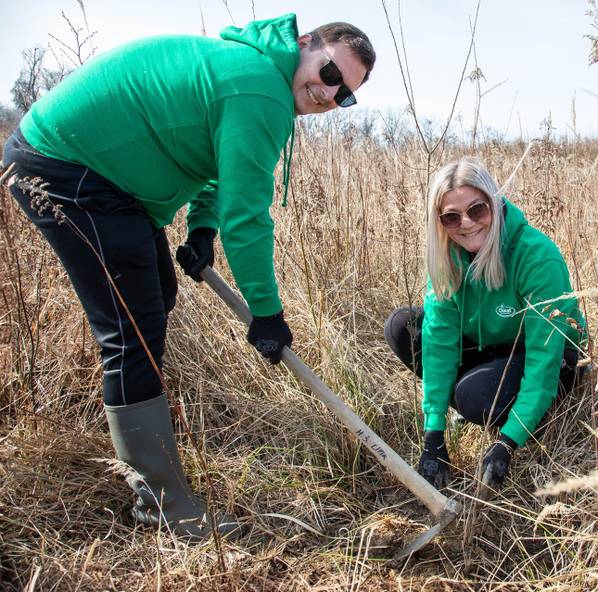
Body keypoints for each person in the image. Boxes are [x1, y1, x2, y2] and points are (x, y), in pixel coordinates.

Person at [2, 13, 375, 540]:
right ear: (307, 43)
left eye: (345, 96)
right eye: (331, 74)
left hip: (102, 181)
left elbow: (219, 165)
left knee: (157, 291)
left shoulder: (256, 73)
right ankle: (163, 506)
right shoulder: (262, 86)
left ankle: (139, 433)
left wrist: (201, 229)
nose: (329, 94)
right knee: (133, 329)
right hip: (66, 170)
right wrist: (266, 312)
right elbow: (249, 218)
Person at [384, 158, 586, 489]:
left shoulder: (535, 257)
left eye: (477, 210)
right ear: (440, 223)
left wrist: (507, 443)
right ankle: (476, 399)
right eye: (451, 217)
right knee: (403, 326)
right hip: (491, 348)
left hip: (551, 357)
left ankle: (526, 418)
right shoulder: (448, 257)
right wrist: (433, 436)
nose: (466, 224)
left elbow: (543, 359)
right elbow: (439, 342)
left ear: (494, 202)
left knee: (473, 396)